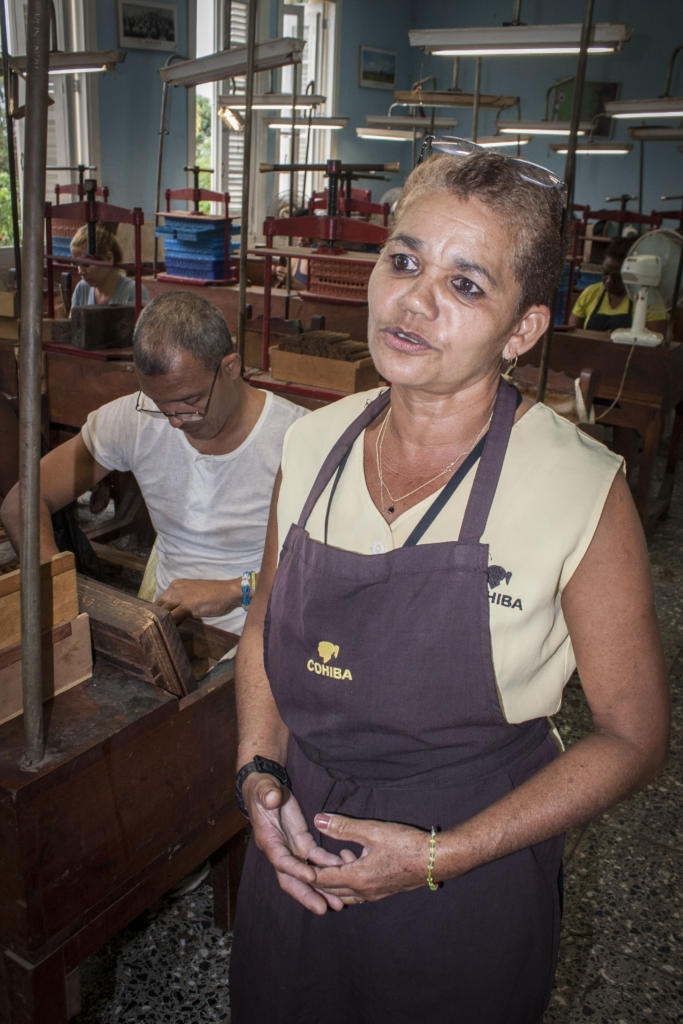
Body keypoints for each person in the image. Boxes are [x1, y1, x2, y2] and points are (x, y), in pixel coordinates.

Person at [228, 141, 669, 1023]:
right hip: (298, 842)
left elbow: (632, 735)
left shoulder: (578, 488)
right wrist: (257, 773)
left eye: (466, 285)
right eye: (403, 260)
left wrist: (443, 855)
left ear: (521, 330)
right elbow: (262, 629)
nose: (415, 300)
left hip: (465, 867)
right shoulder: (314, 447)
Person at [1, 291, 306, 635]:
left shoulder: (298, 438)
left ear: (230, 367)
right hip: (164, 624)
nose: (175, 420)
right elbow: (21, 503)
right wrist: (55, 584)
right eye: (159, 403)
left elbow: (331, 569)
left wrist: (237, 590)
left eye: (190, 401)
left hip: (261, 625)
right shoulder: (135, 419)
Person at [569, 235, 667, 333]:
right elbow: (571, 333)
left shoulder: (649, 300)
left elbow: (656, 342)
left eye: (617, 277)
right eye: (605, 273)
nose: (609, 280)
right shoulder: (591, 293)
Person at [69, 223, 150, 310]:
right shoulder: (82, 289)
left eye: (86, 263)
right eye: (76, 263)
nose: (80, 271)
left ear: (109, 258)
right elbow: (73, 322)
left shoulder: (134, 293)